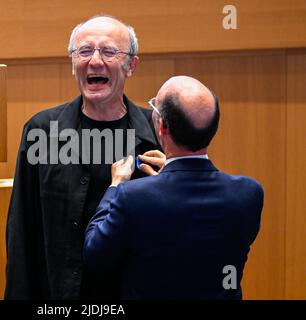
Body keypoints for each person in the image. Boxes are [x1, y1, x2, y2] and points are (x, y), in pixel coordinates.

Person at [5, 15, 164, 299]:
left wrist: (174, 180)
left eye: (109, 51)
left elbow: (186, 229)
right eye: (85, 51)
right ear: (73, 63)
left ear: (132, 66)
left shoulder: (159, 131)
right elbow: (21, 232)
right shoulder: (42, 131)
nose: (95, 61)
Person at [84, 76, 264, 299]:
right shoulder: (249, 194)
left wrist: (115, 185)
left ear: (161, 126)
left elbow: (95, 253)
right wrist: (168, 179)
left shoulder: (131, 196)